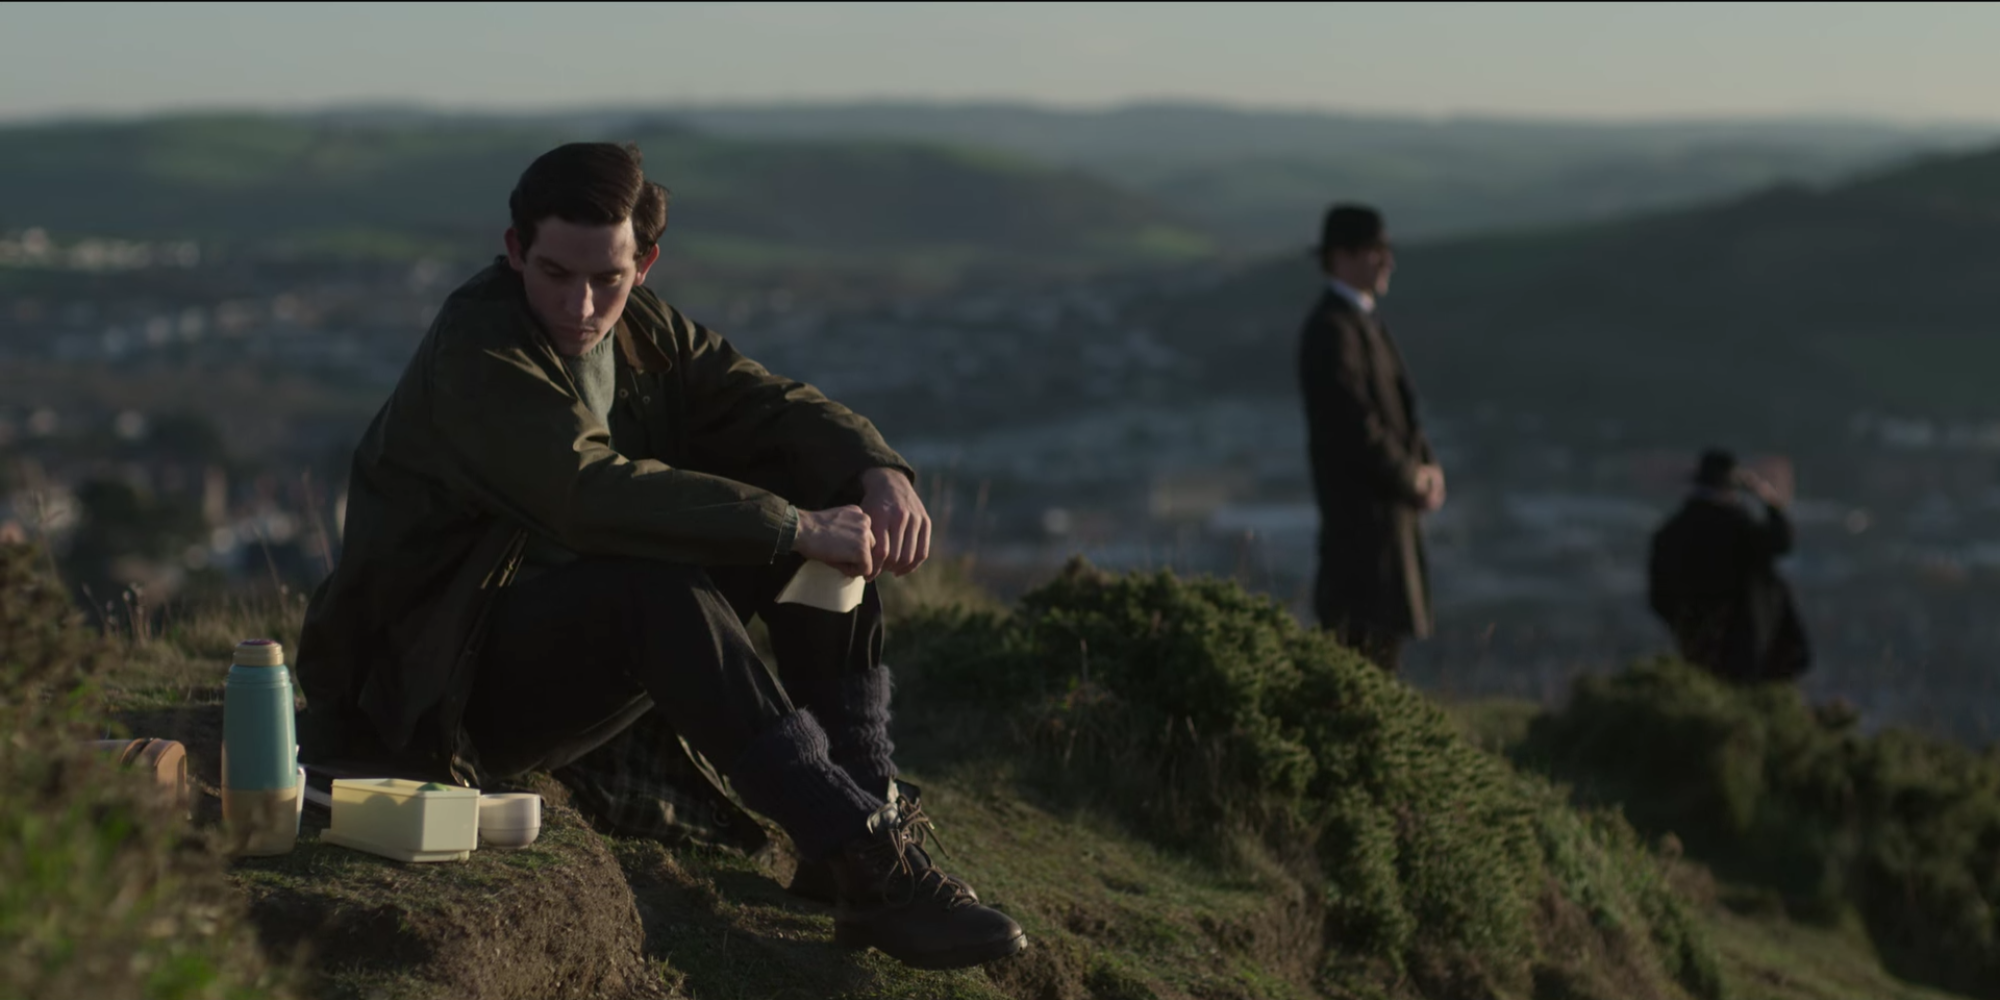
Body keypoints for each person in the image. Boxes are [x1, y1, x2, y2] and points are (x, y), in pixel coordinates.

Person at [294, 142, 1025, 970]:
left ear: (644, 263)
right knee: (666, 578)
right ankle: (860, 847)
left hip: (553, 652)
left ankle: (858, 833)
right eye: (555, 273)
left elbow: (764, 401)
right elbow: (584, 492)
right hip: (429, 685)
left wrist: (876, 470)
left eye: (606, 278)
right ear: (513, 252)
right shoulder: (480, 352)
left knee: (803, 489)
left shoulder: (642, 327)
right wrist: (793, 526)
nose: (580, 306)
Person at [1296, 203, 1441, 672]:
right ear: (1341, 257)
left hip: (1385, 525)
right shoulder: (1331, 331)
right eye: (1376, 251)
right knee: (1361, 661)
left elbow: (1403, 413)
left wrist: (1427, 466)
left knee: (1380, 657)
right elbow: (1354, 426)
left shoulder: (1363, 323)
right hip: (1360, 534)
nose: (1387, 262)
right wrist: (1411, 478)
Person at [1648, 449, 1811, 684]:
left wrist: (1681, 622)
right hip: (1745, 640)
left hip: (1691, 635)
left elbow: (1658, 594)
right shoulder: (1739, 529)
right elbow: (1782, 541)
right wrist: (1768, 498)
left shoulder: (1670, 533)